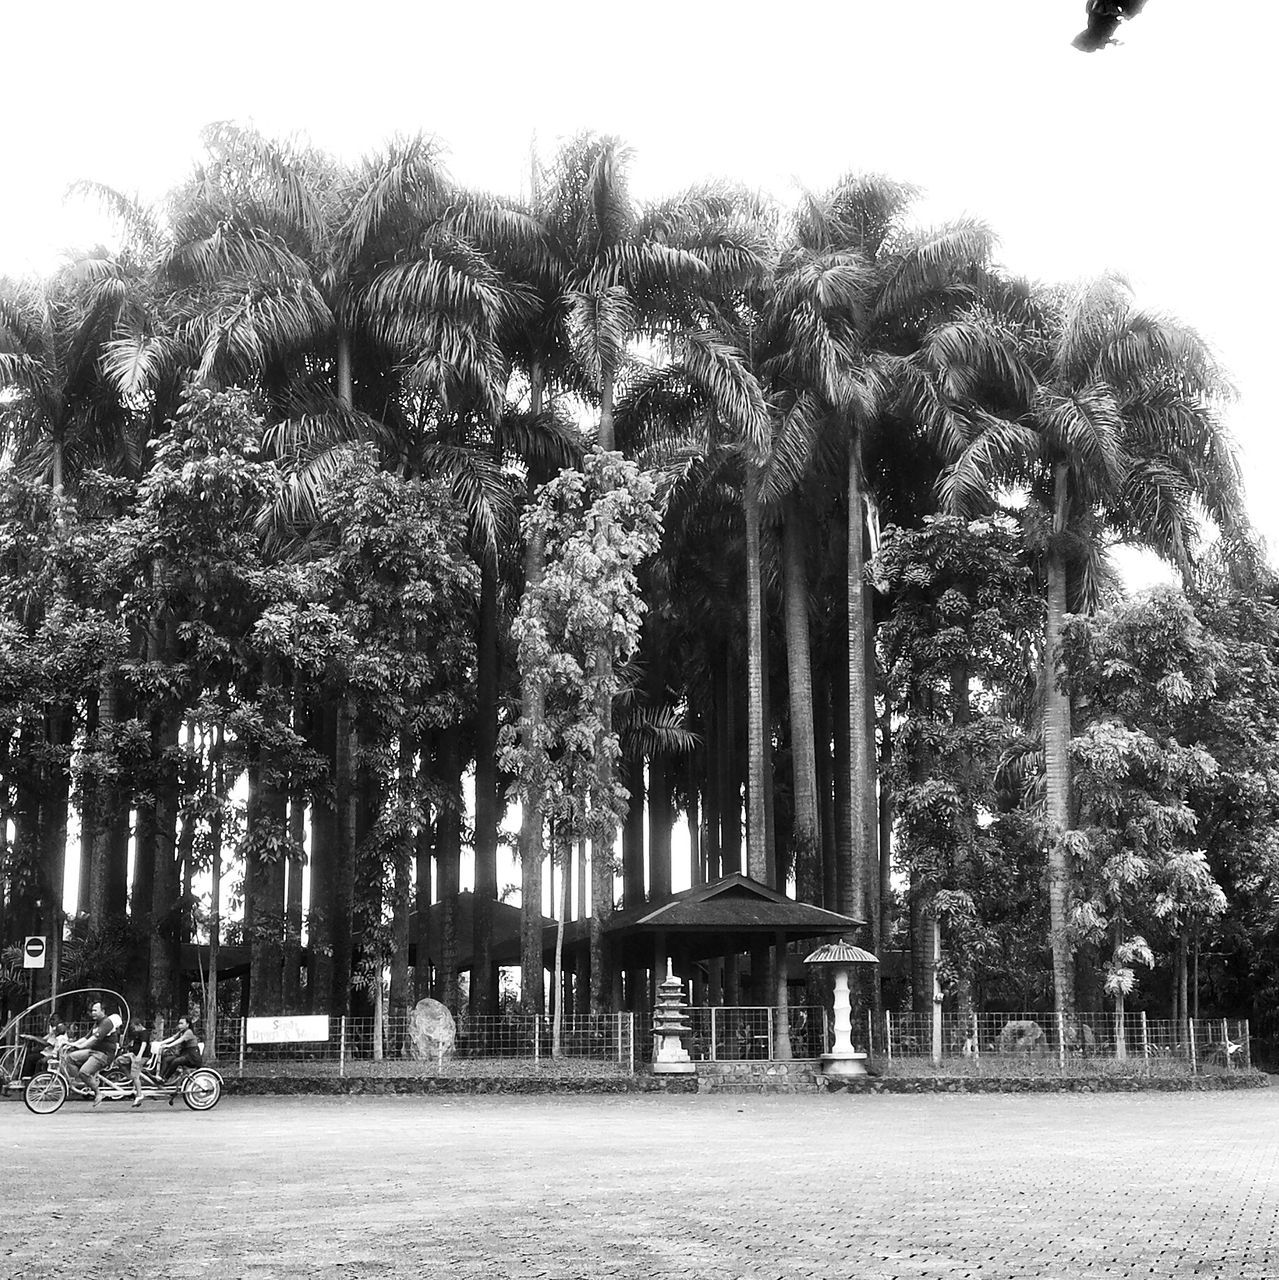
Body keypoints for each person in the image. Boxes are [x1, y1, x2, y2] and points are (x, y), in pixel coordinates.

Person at [65, 1001, 120, 1105]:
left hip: (103, 1054)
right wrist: (71, 1044)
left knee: (84, 1072)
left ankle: (98, 1093)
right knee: (70, 1058)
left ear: (102, 1011)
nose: (93, 1013)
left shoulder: (107, 1023)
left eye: (95, 1010)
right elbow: (86, 1037)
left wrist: (81, 1046)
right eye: (92, 1010)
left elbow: (94, 1039)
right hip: (93, 1051)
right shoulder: (97, 1024)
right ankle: (83, 1082)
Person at [114, 1021, 152, 1108]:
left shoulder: (144, 1033)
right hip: (133, 1055)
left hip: (141, 1057)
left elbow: (144, 1044)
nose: (134, 1030)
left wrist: (139, 1055)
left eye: (135, 1028)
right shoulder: (138, 1034)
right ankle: (130, 1077)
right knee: (119, 1060)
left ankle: (139, 1095)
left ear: (139, 1025)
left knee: (135, 1075)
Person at [155, 1016, 201, 1082]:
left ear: (187, 1024)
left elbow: (180, 1040)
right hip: (184, 1054)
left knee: (176, 1061)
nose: (180, 1025)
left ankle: (165, 1079)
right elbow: (173, 1038)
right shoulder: (181, 1032)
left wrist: (169, 1046)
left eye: (182, 1023)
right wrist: (160, 1043)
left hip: (192, 1056)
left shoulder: (189, 1032)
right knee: (166, 1059)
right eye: (179, 1023)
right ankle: (160, 1077)